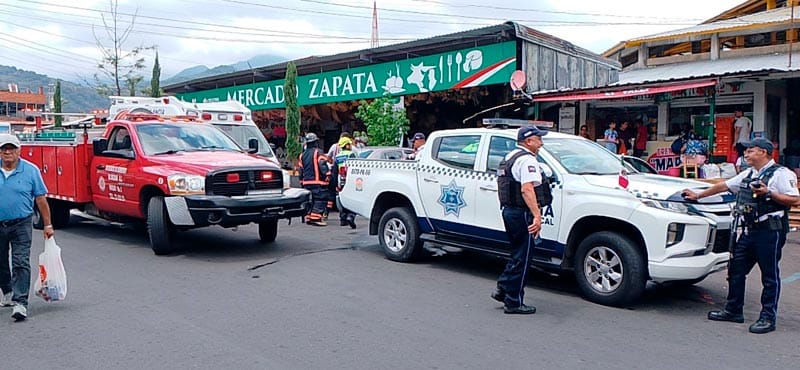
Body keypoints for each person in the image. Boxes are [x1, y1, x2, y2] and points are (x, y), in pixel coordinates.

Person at [682, 138, 799, 334]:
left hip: (770, 232)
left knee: (769, 276)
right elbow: (724, 186)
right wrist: (697, 195)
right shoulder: (749, 173)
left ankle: (767, 318)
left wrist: (769, 193)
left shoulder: (781, 174)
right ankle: (734, 310)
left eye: (750, 150)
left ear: (763, 152)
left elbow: (794, 199)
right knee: (736, 270)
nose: (746, 154)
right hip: (749, 230)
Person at [491, 125, 548, 315]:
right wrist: (537, 216)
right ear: (528, 141)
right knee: (523, 258)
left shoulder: (511, 156)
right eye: (538, 139)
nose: (541, 142)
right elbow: (527, 189)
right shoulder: (526, 160)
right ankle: (514, 301)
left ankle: (504, 288)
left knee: (518, 252)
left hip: (509, 211)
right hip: (521, 213)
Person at [0, 133, 54, 321]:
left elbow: (40, 199)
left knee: (20, 261)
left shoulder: (31, 170)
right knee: (0, 263)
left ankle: (20, 303)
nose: (7, 152)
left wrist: (48, 225)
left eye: (11, 148)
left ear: (19, 151)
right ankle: (7, 291)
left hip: (21, 223)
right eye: (3, 149)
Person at [298, 133, 331, 226]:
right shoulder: (318, 152)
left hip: (306, 182)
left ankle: (309, 217)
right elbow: (322, 164)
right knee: (321, 198)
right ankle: (315, 218)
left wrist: (301, 182)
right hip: (318, 182)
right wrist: (327, 174)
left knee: (310, 201)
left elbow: (300, 170)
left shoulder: (302, 155)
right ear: (315, 142)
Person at [332, 137, 357, 228]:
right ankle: (350, 216)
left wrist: (334, 184)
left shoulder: (338, 156)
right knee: (353, 198)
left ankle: (343, 219)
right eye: (350, 144)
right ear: (347, 145)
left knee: (342, 199)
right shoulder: (351, 155)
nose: (351, 146)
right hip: (350, 180)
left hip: (340, 180)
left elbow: (334, 171)